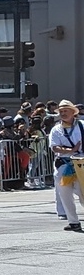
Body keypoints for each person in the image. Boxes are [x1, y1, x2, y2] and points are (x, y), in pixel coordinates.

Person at [49, 100, 84, 233]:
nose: (63, 113)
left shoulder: (82, 126)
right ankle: (73, 222)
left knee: (82, 192)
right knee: (65, 193)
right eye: (61, 111)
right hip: (64, 164)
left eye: (65, 111)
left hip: (81, 164)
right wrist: (70, 150)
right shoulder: (56, 129)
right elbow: (54, 147)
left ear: (73, 112)